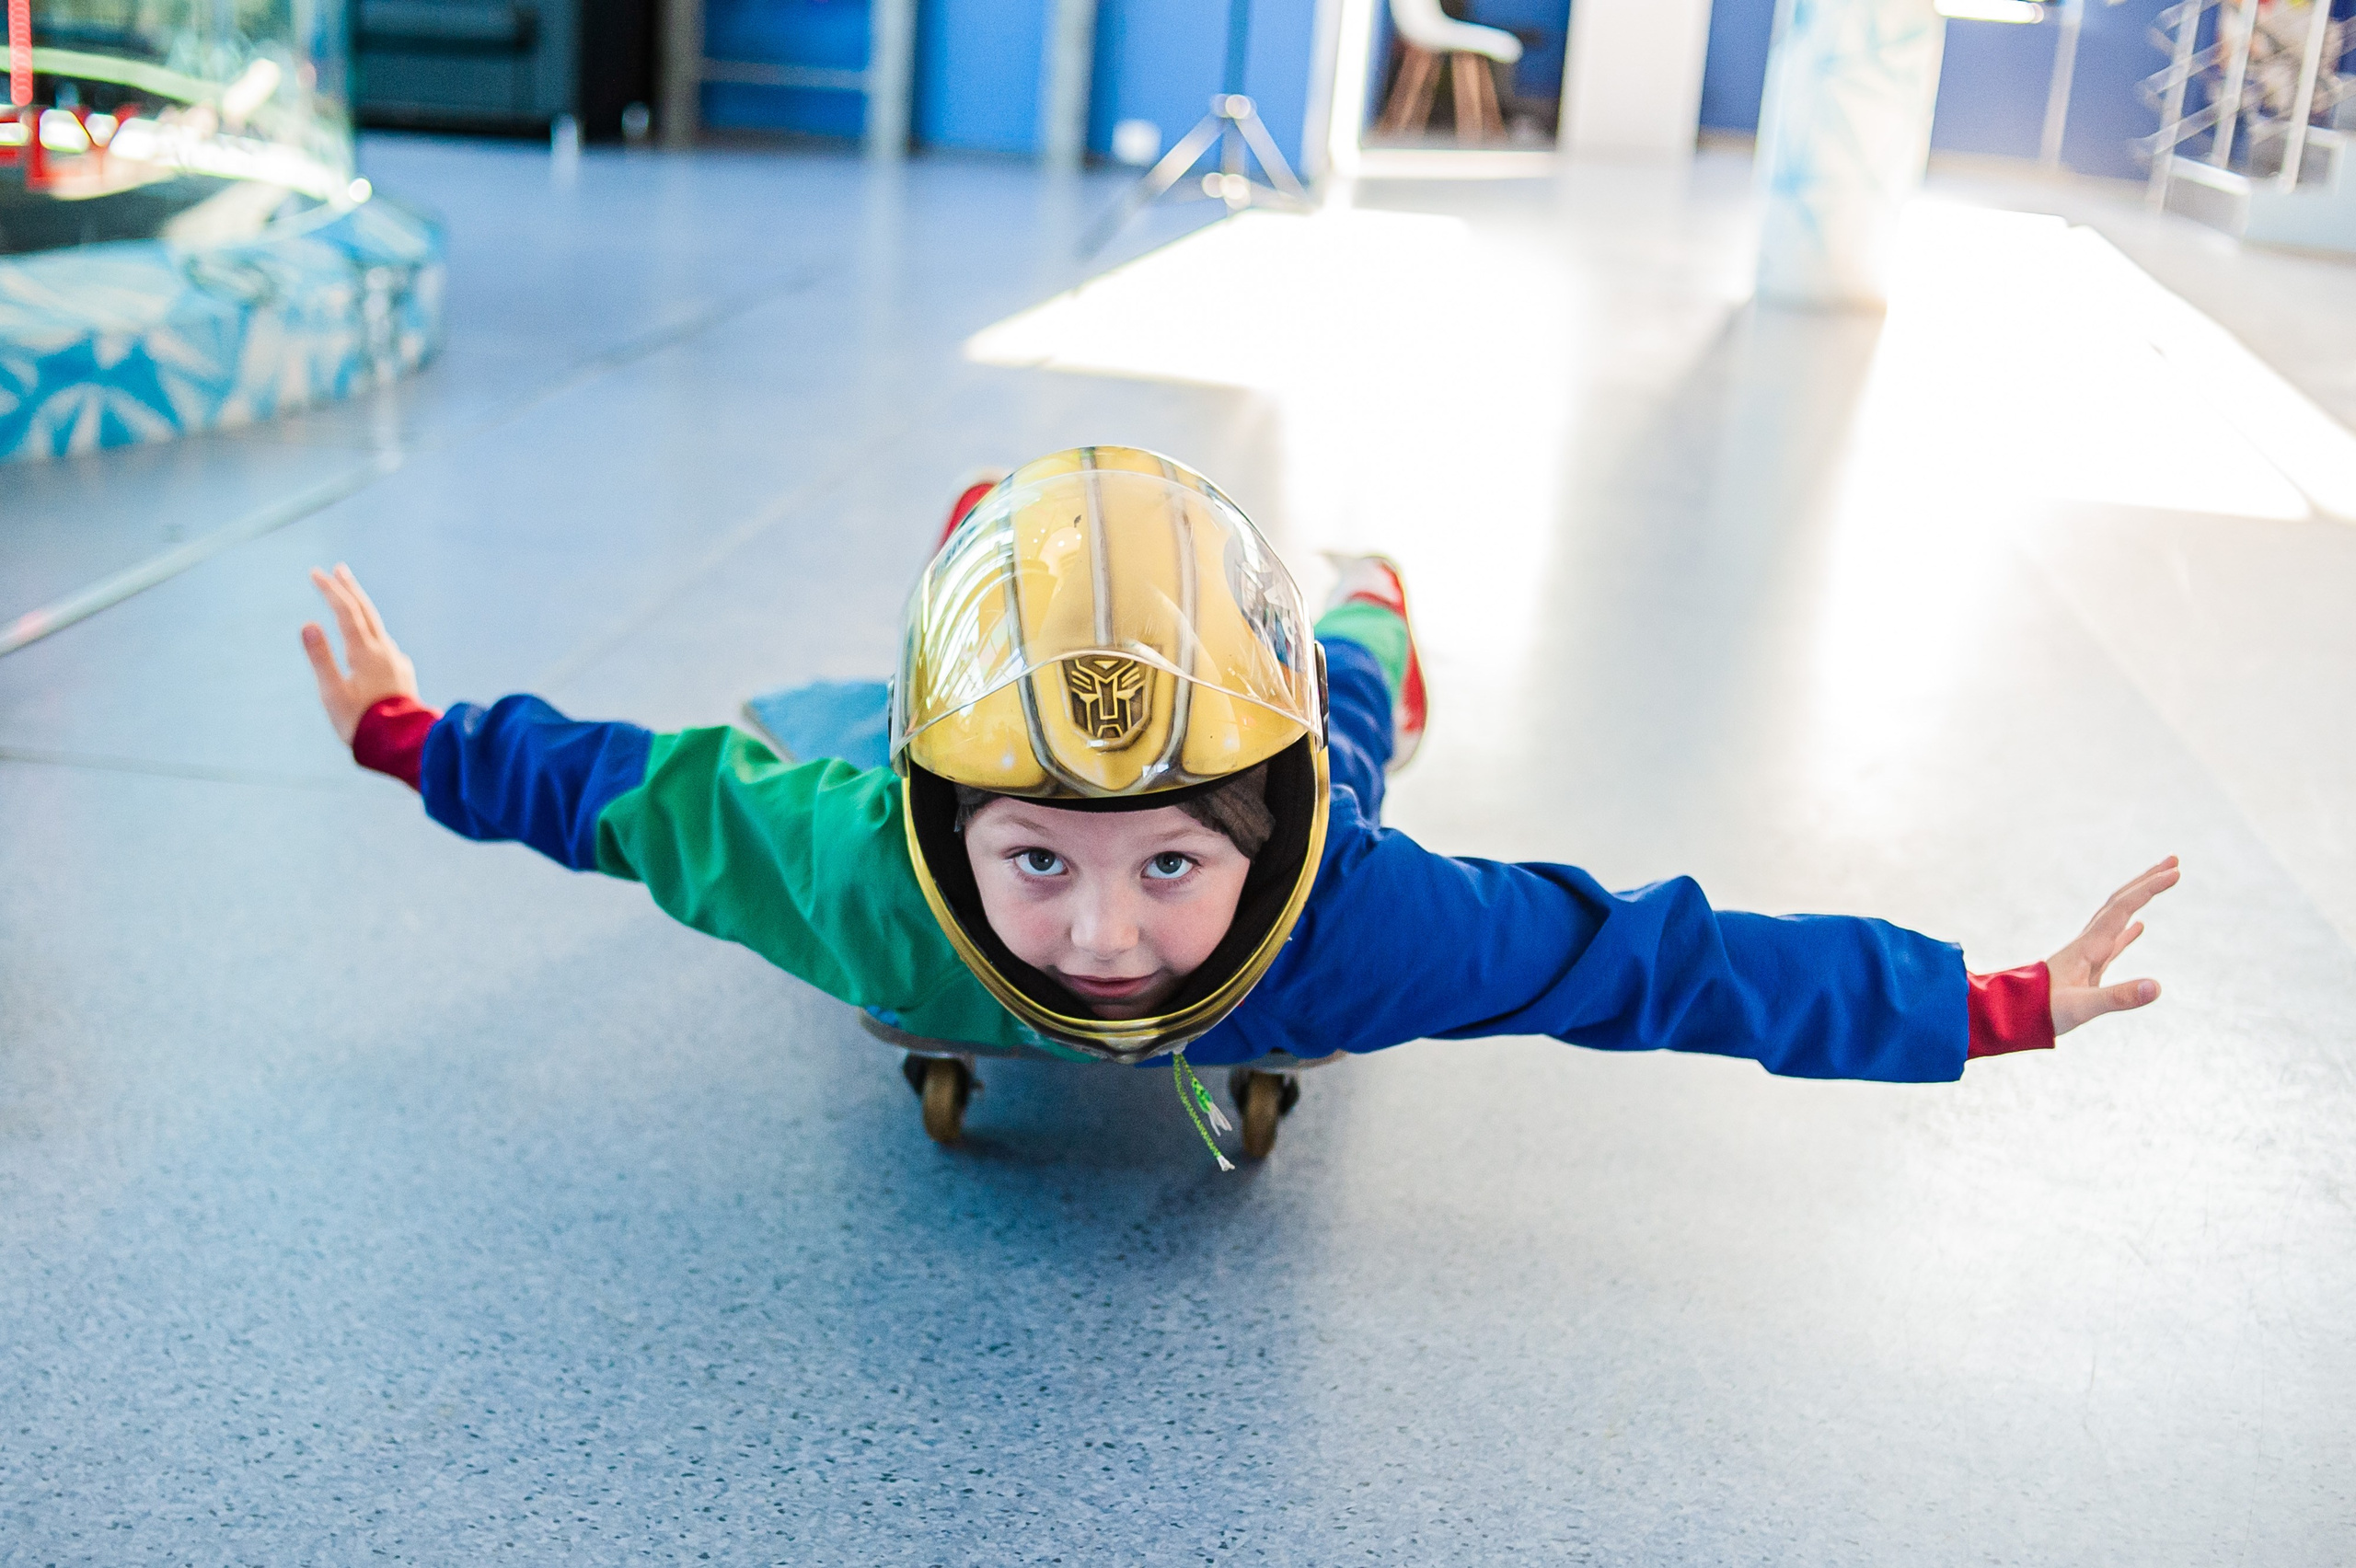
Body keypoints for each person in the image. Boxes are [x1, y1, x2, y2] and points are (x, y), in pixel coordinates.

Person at [300, 446, 2177, 1167]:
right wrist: (407, 733)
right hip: (927, 778)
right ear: (940, 827)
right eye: (1038, 860)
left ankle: (1363, 592)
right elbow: (632, 794)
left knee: (1351, 681)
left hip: (1304, 769)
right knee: (804, 729)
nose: (1104, 936)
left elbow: (1663, 967)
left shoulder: (1360, 919)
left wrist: (1988, 1003)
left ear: (1261, 835)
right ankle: (988, 529)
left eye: (1172, 863)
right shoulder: (863, 863)